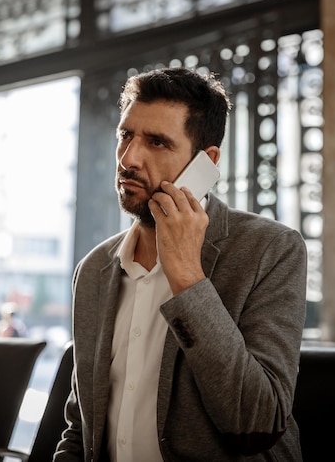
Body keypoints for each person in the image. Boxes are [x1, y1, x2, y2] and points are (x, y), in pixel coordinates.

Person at [54, 67, 307, 462]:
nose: (128, 158)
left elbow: (259, 423)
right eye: (125, 135)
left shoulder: (272, 250)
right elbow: (80, 429)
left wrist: (188, 278)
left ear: (205, 163)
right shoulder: (93, 269)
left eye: (157, 142)